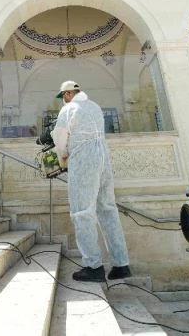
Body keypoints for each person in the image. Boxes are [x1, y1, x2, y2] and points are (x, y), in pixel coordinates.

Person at [51, 80, 131, 282]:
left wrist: (63, 157)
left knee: (81, 212)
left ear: (68, 94)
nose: (63, 100)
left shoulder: (69, 109)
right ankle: (121, 264)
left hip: (84, 158)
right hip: (103, 157)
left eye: (63, 96)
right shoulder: (94, 106)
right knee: (107, 209)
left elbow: (60, 140)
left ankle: (93, 266)